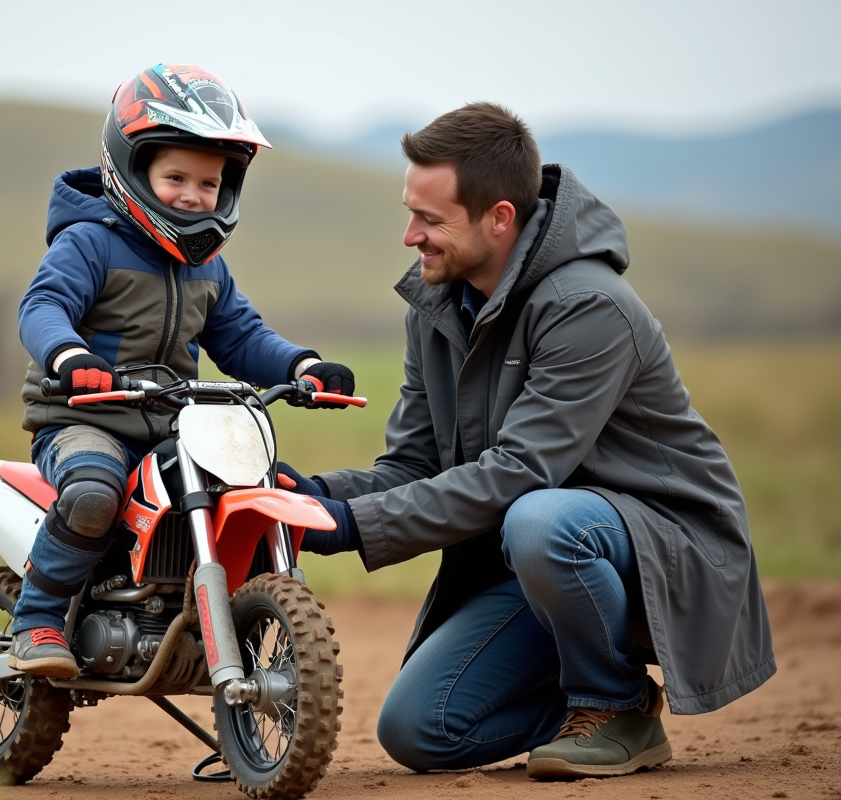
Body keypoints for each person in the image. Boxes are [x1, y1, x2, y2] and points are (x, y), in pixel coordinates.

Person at [277, 102, 774, 780]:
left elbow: (519, 474)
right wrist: (312, 497)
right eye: (409, 211)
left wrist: (351, 528)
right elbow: (416, 464)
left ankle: (616, 703)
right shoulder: (438, 308)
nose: (409, 235)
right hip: (541, 557)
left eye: (430, 219)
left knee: (540, 519)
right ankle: (580, 702)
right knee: (419, 731)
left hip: (661, 546)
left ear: (500, 217)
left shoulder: (588, 307)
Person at [9, 63, 355, 680]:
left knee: (268, 484)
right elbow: (44, 306)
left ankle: (225, 643)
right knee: (92, 492)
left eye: (209, 182)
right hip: (84, 418)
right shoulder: (89, 243)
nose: (194, 196)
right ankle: (35, 619)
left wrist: (304, 365)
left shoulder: (208, 269)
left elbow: (242, 335)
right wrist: (70, 358)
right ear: (133, 169)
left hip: (175, 425)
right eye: (175, 178)